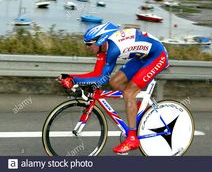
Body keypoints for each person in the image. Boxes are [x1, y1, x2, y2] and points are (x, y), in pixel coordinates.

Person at [59, 22, 169, 154]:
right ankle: (136, 105)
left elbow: (101, 78)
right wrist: (70, 77)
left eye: (89, 44)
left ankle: (132, 139)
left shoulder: (113, 49)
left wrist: (73, 80)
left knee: (129, 92)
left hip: (157, 56)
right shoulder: (103, 48)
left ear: (100, 40)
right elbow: (97, 75)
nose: (87, 47)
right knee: (115, 82)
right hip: (142, 57)